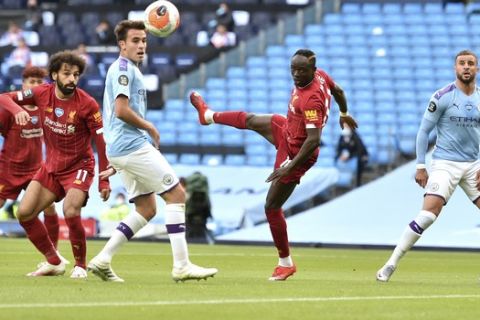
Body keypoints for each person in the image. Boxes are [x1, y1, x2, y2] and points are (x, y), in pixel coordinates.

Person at [189, 48, 358, 280]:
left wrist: (289, 166)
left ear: (313, 69)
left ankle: (285, 263)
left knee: (271, 207)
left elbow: (313, 140)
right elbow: (338, 90)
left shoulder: (311, 99)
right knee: (251, 120)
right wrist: (344, 112)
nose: (296, 74)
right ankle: (208, 115)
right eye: (293, 70)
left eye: (302, 70)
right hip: (287, 130)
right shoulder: (321, 76)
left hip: (297, 152)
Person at [87, 20, 217, 283]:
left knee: (146, 209)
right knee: (177, 193)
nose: (141, 45)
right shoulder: (123, 69)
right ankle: (181, 265)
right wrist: (151, 128)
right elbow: (121, 110)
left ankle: (102, 260)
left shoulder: (128, 69)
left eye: (144, 41)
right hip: (131, 144)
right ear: (122, 44)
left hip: (121, 147)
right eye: (135, 41)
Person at [0, 50, 111, 278]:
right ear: (54, 75)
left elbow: (100, 142)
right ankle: (54, 261)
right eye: (67, 74)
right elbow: (3, 98)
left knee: (70, 210)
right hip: (51, 167)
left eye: (76, 75)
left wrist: (104, 179)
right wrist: (18, 109)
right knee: (25, 213)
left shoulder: (88, 104)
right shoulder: (42, 93)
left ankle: (80, 265)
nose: (72, 79)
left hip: (79, 166)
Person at [376, 50, 480, 282]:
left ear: (477, 69)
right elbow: (424, 131)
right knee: (428, 215)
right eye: (462, 63)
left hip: (474, 165)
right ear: (455, 68)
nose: (466, 67)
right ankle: (390, 264)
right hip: (445, 164)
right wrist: (421, 165)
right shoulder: (442, 96)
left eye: (470, 64)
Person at [0, 66, 67, 257]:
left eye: (39, 82)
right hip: (9, 170)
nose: (36, 86)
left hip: (37, 170)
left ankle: (54, 252)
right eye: (31, 82)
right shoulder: (9, 111)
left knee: (50, 205)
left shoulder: (46, 109)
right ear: (24, 85)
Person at [185, 171, 212, 242]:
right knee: (202, 229)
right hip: (203, 213)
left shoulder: (189, 181)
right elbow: (208, 203)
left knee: (189, 229)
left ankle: (187, 241)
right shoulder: (204, 182)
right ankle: (205, 241)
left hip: (190, 213)